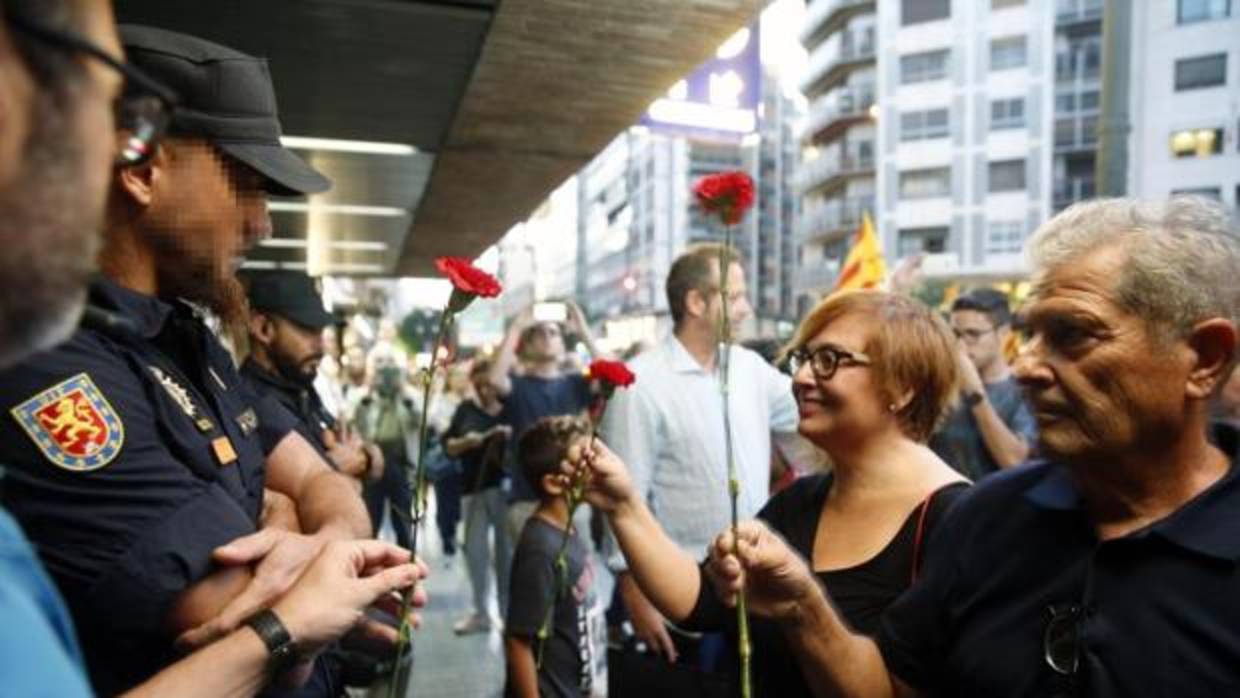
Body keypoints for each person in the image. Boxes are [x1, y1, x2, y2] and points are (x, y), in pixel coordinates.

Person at [0, 2, 426, 696]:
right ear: (141, 168)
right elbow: (229, 609)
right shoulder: (51, 355)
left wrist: (297, 524)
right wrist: (282, 519)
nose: (260, 222)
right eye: (244, 182)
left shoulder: (189, 337)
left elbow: (323, 481)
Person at [703, 196, 1240, 697]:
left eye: (1073, 335)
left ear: (1205, 359)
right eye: (1030, 335)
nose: (1027, 366)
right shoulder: (990, 517)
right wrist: (804, 607)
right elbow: (890, 686)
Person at [569, 291, 968, 697]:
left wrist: (805, 608)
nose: (801, 378)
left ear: (902, 387)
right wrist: (623, 505)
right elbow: (701, 600)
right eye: (804, 360)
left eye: (829, 360)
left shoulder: (958, 521)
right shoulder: (802, 501)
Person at [598, 243, 817, 669]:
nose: (745, 309)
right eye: (733, 297)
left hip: (752, 582)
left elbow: (807, 415)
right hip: (681, 587)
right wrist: (634, 590)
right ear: (695, 302)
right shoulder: (641, 383)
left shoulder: (750, 368)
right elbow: (623, 495)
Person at [241, 269, 384, 486]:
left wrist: (364, 456)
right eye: (306, 330)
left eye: (320, 331)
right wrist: (336, 468)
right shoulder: (250, 400)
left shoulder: (300, 387)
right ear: (263, 328)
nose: (320, 346)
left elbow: (344, 448)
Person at [505, 416, 604, 698]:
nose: (599, 465)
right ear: (553, 483)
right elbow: (518, 642)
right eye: (586, 460)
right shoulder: (540, 550)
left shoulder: (566, 527)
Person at [490, 301, 600, 541]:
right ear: (527, 346)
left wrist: (583, 330)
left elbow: (608, 374)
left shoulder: (575, 383)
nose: (547, 337)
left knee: (578, 576)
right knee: (532, 575)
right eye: (539, 333)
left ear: (562, 344)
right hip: (527, 501)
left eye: (553, 332)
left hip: (573, 498)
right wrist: (516, 328)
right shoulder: (518, 386)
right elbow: (495, 380)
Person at [929, 288, 1037, 479]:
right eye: (956, 334)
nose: (961, 345)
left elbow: (1015, 462)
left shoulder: (1026, 391)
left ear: (1003, 333)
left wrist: (974, 391)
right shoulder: (940, 386)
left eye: (973, 334)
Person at [444, 358, 513, 633]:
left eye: (490, 385)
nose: (486, 391)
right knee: (475, 553)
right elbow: (448, 445)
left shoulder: (510, 409)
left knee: (506, 555)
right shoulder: (465, 409)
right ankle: (481, 612)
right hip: (471, 488)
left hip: (505, 490)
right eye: (480, 385)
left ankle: (508, 613)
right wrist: (467, 442)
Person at [354, 343, 419, 549]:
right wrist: (370, 394)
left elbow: (420, 421)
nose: (387, 371)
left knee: (403, 522)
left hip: (400, 463)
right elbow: (358, 425)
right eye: (382, 364)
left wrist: (402, 394)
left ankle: (406, 571)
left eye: (391, 364)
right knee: (371, 520)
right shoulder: (364, 397)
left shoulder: (409, 396)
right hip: (374, 465)